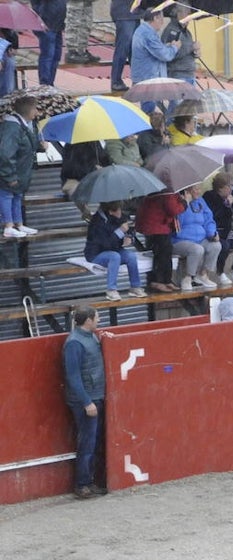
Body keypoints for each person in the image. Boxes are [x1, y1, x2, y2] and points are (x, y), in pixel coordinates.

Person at [63, 305, 107, 499]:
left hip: (94, 396)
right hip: (87, 400)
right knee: (87, 442)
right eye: (96, 318)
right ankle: (82, 484)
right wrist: (86, 402)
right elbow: (73, 377)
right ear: (88, 320)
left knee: (92, 441)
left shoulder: (88, 338)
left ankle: (89, 481)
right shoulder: (75, 343)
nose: (98, 321)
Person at [0, 96, 42, 239]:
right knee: (7, 195)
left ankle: (19, 224)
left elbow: (28, 145)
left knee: (17, 196)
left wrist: (41, 146)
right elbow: (5, 154)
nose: (37, 112)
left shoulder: (25, 125)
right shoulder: (12, 128)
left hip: (21, 172)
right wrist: (9, 175)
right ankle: (8, 226)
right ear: (28, 110)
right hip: (10, 173)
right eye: (35, 109)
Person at [85, 201, 145, 300]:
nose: (120, 213)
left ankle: (135, 286)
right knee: (114, 256)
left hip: (116, 249)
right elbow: (105, 244)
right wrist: (120, 231)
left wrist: (129, 237)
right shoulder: (97, 222)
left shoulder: (119, 217)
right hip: (96, 254)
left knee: (131, 256)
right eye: (118, 210)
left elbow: (130, 230)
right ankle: (111, 290)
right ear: (111, 212)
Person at [172, 184, 221, 290]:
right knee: (197, 249)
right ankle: (188, 278)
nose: (199, 191)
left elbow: (209, 220)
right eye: (196, 189)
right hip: (180, 240)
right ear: (187, 191)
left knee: (216, 246)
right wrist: (186, 203)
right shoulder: (178, 202)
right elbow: (177, 224)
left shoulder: (201, 201)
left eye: (199, 188)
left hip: (201, 238)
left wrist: (212, 233)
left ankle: (202, 275)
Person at [135, 189, 185, 293]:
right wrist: (184, 203)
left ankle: (166, 280)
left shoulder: (164, 190)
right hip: (155, 226)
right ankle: (158, 281)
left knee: (166, 252)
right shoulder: (167, 191)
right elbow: (172, 209)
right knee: (162, 253)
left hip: (158, 225)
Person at [130, 9, 179, 110]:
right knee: (150, 112)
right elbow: (165, 55)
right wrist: (175, 48)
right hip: (148, 80)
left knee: (153, 110)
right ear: (155, 18)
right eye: (161, 19)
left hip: (147, 78)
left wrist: (165, 46)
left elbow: (155, 50)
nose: (162, 22)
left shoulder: (144, 31)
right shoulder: (148, 34)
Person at [203, 173, 233, 285]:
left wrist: (230, 206)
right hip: (215, 231)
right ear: (221, 187)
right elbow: (213, 216)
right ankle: (220, 272)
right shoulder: (209, 196)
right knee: (224, 245)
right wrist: (225, 205)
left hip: (228, 231)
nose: (231, 189)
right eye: (229, 186)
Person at [162, 7, 199, 88]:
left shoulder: (187, 32)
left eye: (190, 14)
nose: (190, 17)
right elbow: (169, 55)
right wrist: (191, 48)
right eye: (188, 14)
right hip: (177, 76)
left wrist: (195, 52)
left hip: (190, 75)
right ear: (178, 13)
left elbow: (188, 51)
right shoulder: (171, 31)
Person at [31, 0, 66, 86]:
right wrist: (41, 21)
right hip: (46, 24)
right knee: (48, 55)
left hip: (58, 25)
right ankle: (45, 84)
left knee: (56, 56)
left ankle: (50, 82)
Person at [108, 0, 140, 92]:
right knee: (123, 48)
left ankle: (137, 80)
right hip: (124, 13)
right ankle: (116, 81)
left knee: (133, 49)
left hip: (133, 13)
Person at [64, 0, 99, 64]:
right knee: (73, 24)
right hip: (75, 2)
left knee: (86, 24)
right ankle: (72, 52)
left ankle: (82, 51)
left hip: (87, 2)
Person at [0, 28, 17, 97]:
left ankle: (7, 95)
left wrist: (14, 47)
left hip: (5, 51)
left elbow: (13, 37)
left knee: (10, 62)